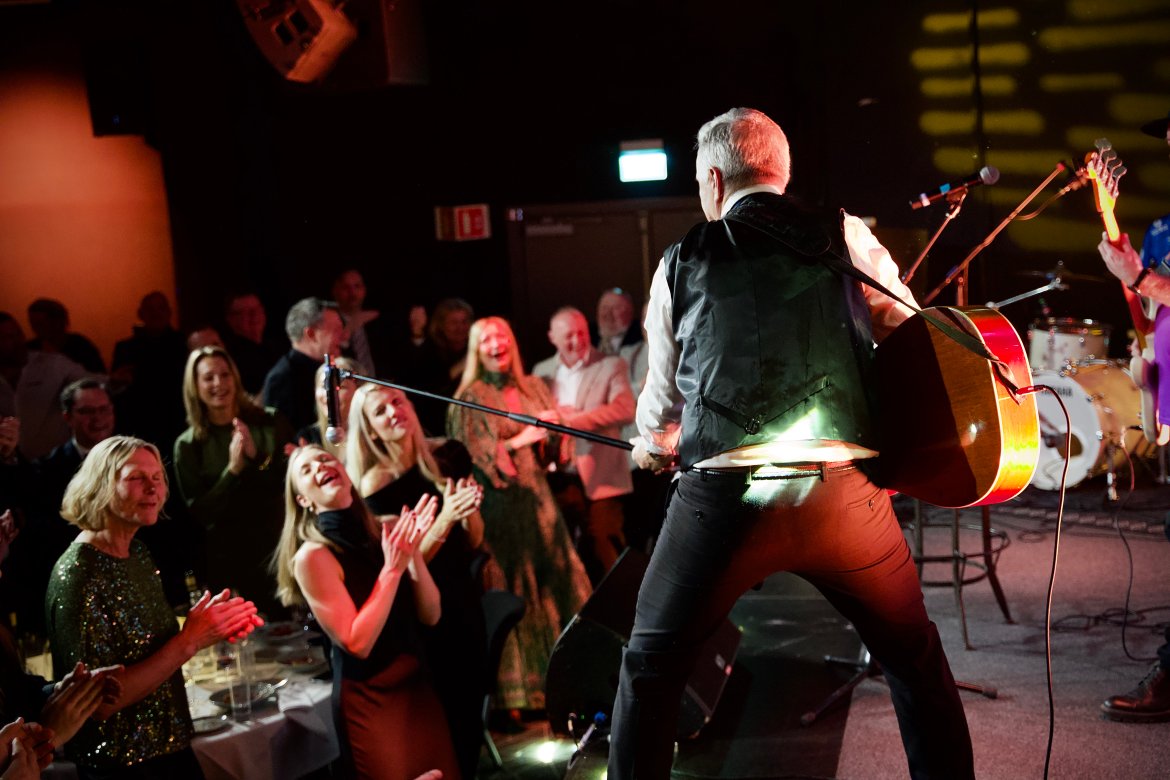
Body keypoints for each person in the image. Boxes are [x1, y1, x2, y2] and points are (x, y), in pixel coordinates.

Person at [608, 108, 974, 779]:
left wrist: (652, 443)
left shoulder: (681, 259)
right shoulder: (844, 232)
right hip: (845, 500)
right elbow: (915, 334)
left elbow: (662, 398)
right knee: (915, 660)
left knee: (650, 667)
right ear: (781, 172)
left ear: (714, 180)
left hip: (724, 503)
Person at [45, 436, 261, 779]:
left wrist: (211, 626)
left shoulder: (138, 554)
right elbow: (99, 704)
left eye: (158, 477)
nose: (153, 488)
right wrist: (190, 639)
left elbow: (154, 647)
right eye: (136, 477)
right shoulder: (79, 573)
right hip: (122, 766)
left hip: (170, 747)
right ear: (100, 485)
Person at [273, 444, 459, 779]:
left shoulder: (387, 527)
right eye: (306, 469)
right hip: (372, 700)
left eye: (325, 458)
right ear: (303, 500)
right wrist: (392, 569)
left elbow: (431, 614)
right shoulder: (313, 557)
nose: (320, 466)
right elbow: (358, 643)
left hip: (417, 688)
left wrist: (412, 555)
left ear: (345, 472)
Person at [446, 316, 592, 711]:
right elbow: (470, 456)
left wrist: (555, 430)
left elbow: (554, 455)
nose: (496, 344)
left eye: (501, 336)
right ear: (476, 350)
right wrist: (519, 440)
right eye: (486, 339)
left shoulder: (533, 386)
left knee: (559, 580)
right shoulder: (471, 397)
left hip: (539, 502)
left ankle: (574, 677)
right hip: (500, 509)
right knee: (516, 590)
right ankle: (518, 696)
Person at [347, 383, 486, 779]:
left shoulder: (448, 455)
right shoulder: (374, 485)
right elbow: (405, 561)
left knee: (471, 714)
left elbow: (475, 540)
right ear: (370, 430)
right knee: (447, 722)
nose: (394, 411)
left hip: (463, 599)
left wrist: (468, 512)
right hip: (424, 614)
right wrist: (445, 518)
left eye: (397, 401)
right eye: (380, 411)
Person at [1095, 105, 1170, 723]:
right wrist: (1128, 272)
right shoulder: (1165, 229)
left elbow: (1153, 286)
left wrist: (1141, 276)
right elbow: (1147, 316)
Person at [174, 346, 292, 618]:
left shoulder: (269, 421)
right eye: (208, 377)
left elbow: (288, 483)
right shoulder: (188, 445)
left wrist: (256, 457)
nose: (219, 383)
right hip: (228, 559)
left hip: (278, 548)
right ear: (195, 387)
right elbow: (201, 512)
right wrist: (233, 471)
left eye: (225, 375)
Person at [532, 306, 635, 584]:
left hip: (602, 475)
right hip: (562, 474)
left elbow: (625, 409)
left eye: (582, 333)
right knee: (566, 551)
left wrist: (571, 420)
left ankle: (623, 603)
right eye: (569, 336)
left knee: (604, 544)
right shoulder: (542, 371)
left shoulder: (610, 364)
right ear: (552, 338)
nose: (577, 341)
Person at [0, 311, 89, 460]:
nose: (18, 341)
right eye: (8, 337)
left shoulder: (51, 365)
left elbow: (90, 381)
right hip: (10, 467)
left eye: (18, 333)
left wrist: (114, 380)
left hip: (55, 463)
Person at [109, 291, 188, 453]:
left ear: (169, 312)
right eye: (150, 309)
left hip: (177, 423)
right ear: (140, 314)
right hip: (138, 426)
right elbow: (118, 392)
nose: (155, 313)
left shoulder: (184, 345)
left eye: (160, 308)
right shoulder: (126, 349)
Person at [263, 297, 346, 432]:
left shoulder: (336, 367)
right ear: (311, 333)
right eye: (336, 330)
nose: (344, 336)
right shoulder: (282, 379)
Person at [295, 357, 365, 462]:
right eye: (324, 386)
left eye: (340, 387)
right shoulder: (307, 439)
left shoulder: (372, 433)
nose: (328, 394)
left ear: (359, 392)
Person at [220, 291, 282, 397]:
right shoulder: (231, 358)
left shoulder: (275, 346)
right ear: (231, 319)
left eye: (257, 309)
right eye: (246, 312)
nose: (255, 315)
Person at [25, 299, 105, 374]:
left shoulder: (81, 347)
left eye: (40, 324)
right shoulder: (29, 349)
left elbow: (97, 376)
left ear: (57, 322)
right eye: (33, 323)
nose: (35, 328)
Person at [594, 287, 641, 355]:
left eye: (616, 308)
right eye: (604, 308)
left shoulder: (640, 338)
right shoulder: (588, 336)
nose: (608, 313)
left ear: (629, 313)